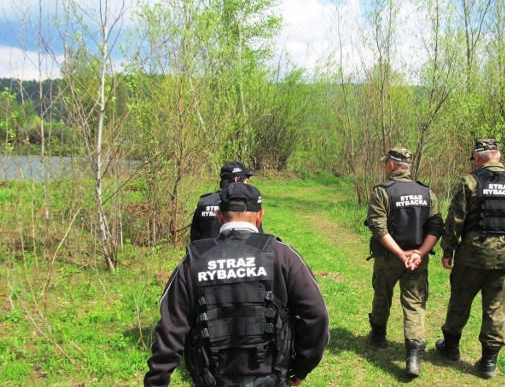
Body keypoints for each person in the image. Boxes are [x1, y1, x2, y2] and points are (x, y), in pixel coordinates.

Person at [145, 182, 330, 387]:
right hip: (272, 378)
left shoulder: (193, 262)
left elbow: (170, 328)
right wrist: (302, 367)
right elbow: (316, 316)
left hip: (211, 379)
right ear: (260, 216)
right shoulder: (283, 256)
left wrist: (156, 381)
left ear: (219, 216)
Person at [434, 138, 505, 379]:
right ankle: (489, 362)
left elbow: (455, 220)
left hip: (472, 255)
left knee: (460, 300)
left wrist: (448, 250)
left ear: (478, 157)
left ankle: (450, 347)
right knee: (495, 307)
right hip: (504, 256)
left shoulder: (470, 182)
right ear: (497, 156)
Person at [366, 147, 444, 377]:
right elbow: (436, 226)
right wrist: (419, 253)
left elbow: (377, 226)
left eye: (385, 163)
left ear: (391, 164)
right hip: (416, 259)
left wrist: (401, 254)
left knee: (382, 294)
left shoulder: (382, 191)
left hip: (389, 257)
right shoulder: (426, 191)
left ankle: (378, 336)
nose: (384, 167)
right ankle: (413, 359)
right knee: (415, 304)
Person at [190, 161, 260, 242]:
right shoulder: (249, 202)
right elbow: (258, 239)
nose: (247, 185)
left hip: (207, 253)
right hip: (240, 253)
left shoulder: (204, 202)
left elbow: (194, 240)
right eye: (246, 182)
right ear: (236, 180)